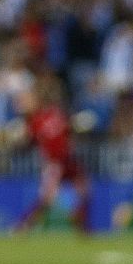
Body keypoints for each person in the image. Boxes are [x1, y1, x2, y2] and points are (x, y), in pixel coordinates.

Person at [15, 74, 93, 235]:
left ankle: (83, 228)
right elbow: (30, 143)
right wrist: (18, 143)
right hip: (54, 163)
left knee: (84, 189)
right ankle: (23, 225)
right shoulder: (34, 121)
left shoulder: (57, 113)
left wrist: (80, 125)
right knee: (48, 198)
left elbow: (70, 130)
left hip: (68, 160)